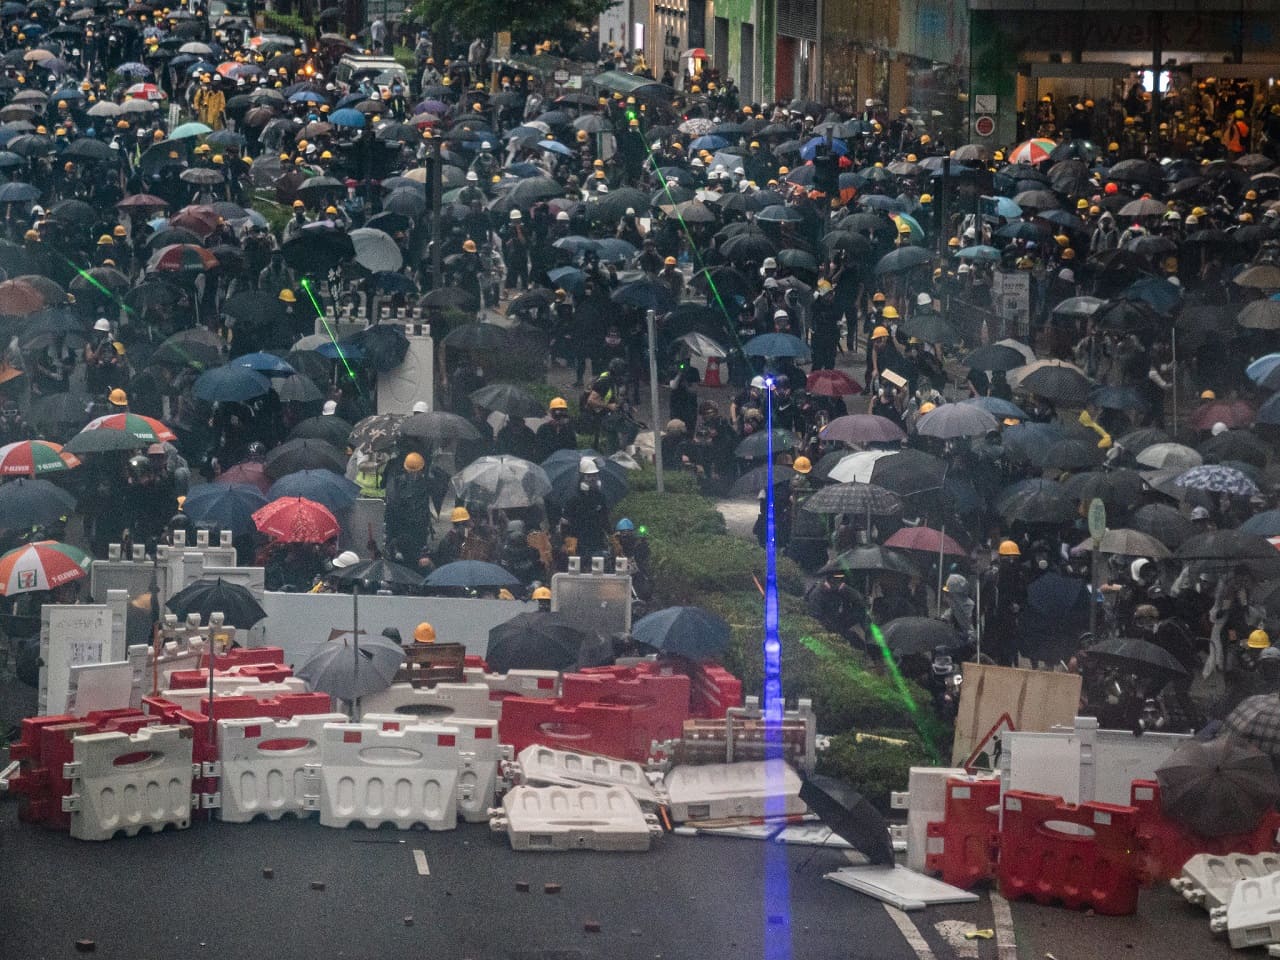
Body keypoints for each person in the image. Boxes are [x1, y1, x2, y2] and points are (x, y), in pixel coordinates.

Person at [562, 456, 611, 557]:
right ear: (582, 477)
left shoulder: (600, 498)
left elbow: (605, 519)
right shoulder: (574, 500)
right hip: (579, 544)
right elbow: (565, 523)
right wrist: (567, 540)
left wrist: (612, 536)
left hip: (597, 543)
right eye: (589, 476)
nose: (592, 479)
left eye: (594, 475)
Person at [535, 397, 577, 462]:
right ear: (551, 413)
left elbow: (572, 449)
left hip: (564, 463)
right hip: (546, 463)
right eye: (558, 412)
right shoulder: (543, 429)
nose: (561, 417)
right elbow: (539, 450)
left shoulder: (568, 430)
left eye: (563, 411)